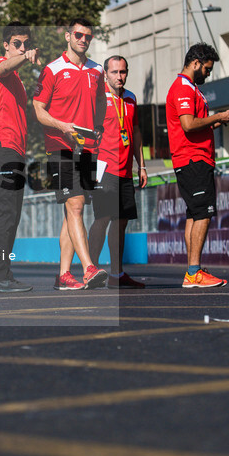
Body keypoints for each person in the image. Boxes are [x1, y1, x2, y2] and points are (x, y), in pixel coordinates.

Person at [33, 18, 108, 291]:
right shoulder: (52, 69)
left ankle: (64, 274)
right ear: (68, 36)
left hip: (88, 148)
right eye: (78, 34)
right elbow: (38, 109)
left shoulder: (97, 70)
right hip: (60, 147)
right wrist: (62, 126)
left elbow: (101, 101)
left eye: (87, 36)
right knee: (75, 205)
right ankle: (88, 268)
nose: (83, 39)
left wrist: (98, 126)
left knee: (72, 211)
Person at [165, 43, 229, 288]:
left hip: (195, 158)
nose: (208, 73)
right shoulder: (183, 88)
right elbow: (188, 125)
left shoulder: (192, 89)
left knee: (195, 215)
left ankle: (192, 269)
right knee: (203, 214)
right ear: (196, 63)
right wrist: (217, 116)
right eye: (207, 69)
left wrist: (222, 119)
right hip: (192, 159)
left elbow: (197, 124)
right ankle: (193, 272)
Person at [0, 22, 39, 293]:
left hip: (15, 150)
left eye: (25, 44)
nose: (22, 48)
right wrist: (21, 58)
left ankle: (3, 273)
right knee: (4, 212)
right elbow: (5, 67)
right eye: (17, 43)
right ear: (6, 45)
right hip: (1, 146)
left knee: (13, 215)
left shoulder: (18, 79)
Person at [87, 55, 148, 289]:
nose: (119, 77)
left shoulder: (131, 98)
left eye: (123, 72)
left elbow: (135, 132)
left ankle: (117, 273)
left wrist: (141, 165)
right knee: (102, 218)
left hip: (126, 170)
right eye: (114, 72)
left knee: (121, 221)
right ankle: (90, 269)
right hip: (103, 168)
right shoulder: (97, 97)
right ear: (105, 74)